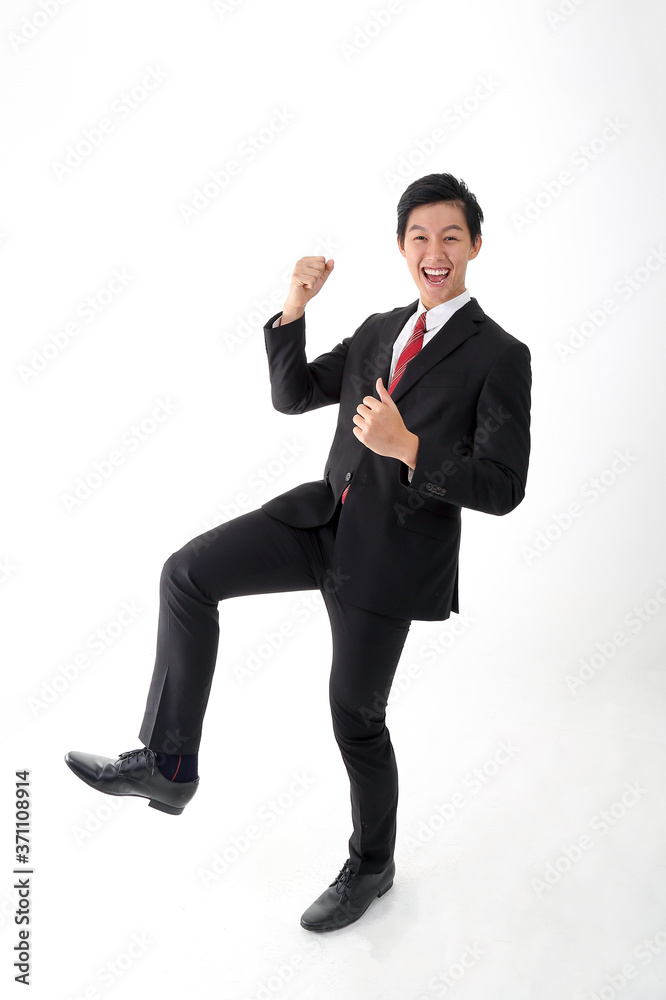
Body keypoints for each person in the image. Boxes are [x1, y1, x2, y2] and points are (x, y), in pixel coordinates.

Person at [65, 172, 532, 932]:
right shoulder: (383, 328)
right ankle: (169, 763)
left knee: (354, 717)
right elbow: (294, 395)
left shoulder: (500, 356)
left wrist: (410, 449)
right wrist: (293, 310)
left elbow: (505, 485)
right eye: (420, 237)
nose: (435, 251)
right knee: (186, 574)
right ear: (401, 248)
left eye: (451, 236)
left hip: (390, 560)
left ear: (476, 245)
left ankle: (373, 866)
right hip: (320, 522)